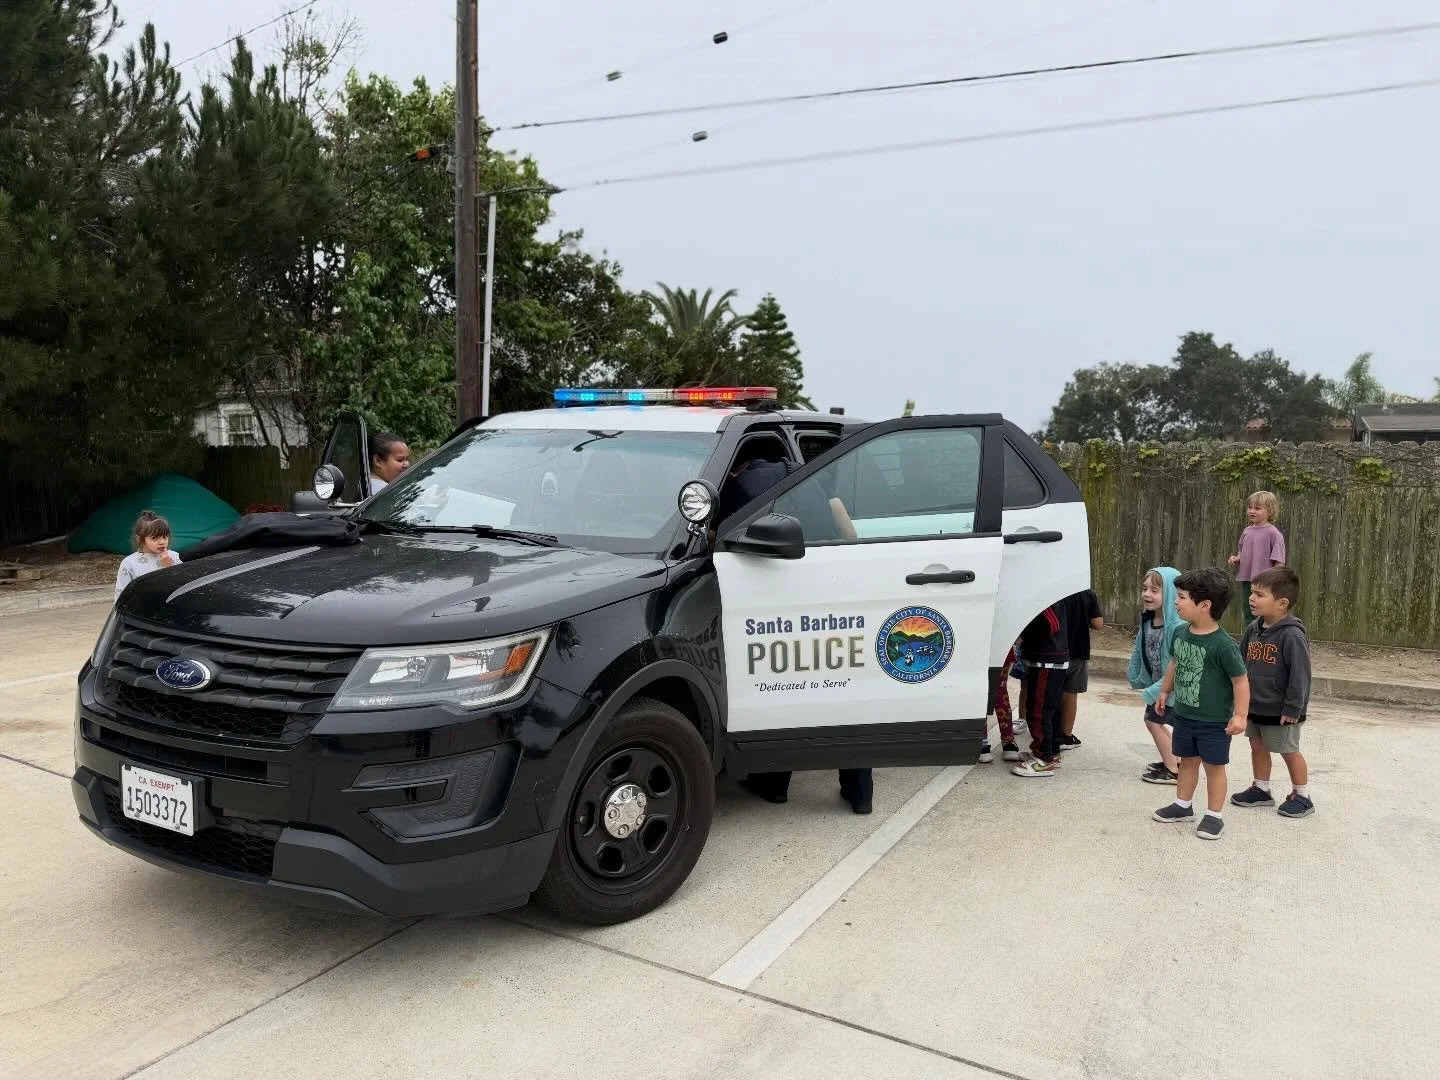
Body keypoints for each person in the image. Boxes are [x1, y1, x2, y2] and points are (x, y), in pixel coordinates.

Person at [724, 454, 869, 813]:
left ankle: (773, 783)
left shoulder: (738, 489)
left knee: (783, 690)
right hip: (832, 604)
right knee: (843, 694)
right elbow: (851, 535)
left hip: (777, 608)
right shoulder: (809, 479)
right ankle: (860, 792)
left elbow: (721, 541)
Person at [1152, 568, 1249, 839]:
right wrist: (1165, 691)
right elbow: (1175, 662)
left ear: (1205, 605)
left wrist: (1240, 715)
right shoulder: (1182, 633)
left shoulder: (1223, 645)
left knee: (1214, 767)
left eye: (1182, 597)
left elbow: (1241, 681)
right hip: (1184, 715)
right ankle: (1183, 805)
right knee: (1187, 762)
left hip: (1214, 722)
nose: (1175, 602)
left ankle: (1214, 815)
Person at [1230, 566, 1315, 818]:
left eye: (1259, 594)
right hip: (1256, 705)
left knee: (1288, 750)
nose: (1251, 598)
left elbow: (1300, 675)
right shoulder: (1253, 629)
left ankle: (1302, 796)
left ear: (1282, 603)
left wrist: (1293, 708)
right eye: (1252, 593)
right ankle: (1261, 789)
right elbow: (1240, 662)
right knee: (1257, 745)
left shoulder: (1292, 635)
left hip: (1282, 710)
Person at [1127, 567, 1185, 784]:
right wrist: (1135, 674)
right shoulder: (1148, 621)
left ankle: (1173, 770)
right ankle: (1174, 760)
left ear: (1170, 593)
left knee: (1153, 722)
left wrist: (1158, 690)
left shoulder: (1178, 627)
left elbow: (1179, 665)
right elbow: (1139, 649)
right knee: (1153, 721)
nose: (1147, 594)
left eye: (1154, 590)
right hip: (1158, 687)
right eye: (1144, 589)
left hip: (1172, 689)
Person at [1010, 603, 1069, 778]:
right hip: (1049, 658)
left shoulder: (1044, 599)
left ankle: (1043, 758)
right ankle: (1052, 752)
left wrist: (1020, 633)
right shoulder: (1053, 596)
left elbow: (1050, 624)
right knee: (1050, 710)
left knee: (1039, 711)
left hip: (1047, 661)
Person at [1227, 490, 1286, 620]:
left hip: (1265, 582)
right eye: (1250, 507)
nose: (1252, 511)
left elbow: (1279, 561)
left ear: (1269, 511)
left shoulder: (1274, 534)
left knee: (1263, 612)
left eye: (1257, 508)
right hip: (1247, 580)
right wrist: (1236, 559)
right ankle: (1250, 633)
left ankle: (1264, 633)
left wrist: (1275, 581)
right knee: (1248, 610)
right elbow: (1242, 552)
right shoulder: (1247, 531)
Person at [1058, 589, 1104, 750]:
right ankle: (1066, 736)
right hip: (1077, 652)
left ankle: (1046, 733)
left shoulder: (1052, 591)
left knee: (1049, 694)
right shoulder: (1086, 593)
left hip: (1051, 651)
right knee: (1071, 694)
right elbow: (1098, 624)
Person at [114, 512, 181, 601]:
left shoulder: (174, 557)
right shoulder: (129, 563)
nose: (162, 542)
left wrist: (169, 567)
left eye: (165, 537)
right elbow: (121, 594)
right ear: (139, 539)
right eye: (155, 538)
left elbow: (182, 586)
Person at [979, 644, 1023, 764]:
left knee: (980, 693)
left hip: (976, 650)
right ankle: (1009, 744)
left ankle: (983, 745)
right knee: (1000, 692)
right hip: (1001, 648)